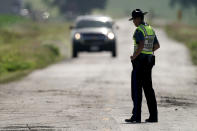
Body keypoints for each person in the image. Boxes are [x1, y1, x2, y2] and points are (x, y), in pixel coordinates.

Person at [125, 9, 160, 123]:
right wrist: (148, 52)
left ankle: (136, 116)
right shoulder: (150, 29)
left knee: (136, 90)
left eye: (134, 19)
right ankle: (153, 116)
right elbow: (157, 45)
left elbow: (141, 45)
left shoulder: (139, 30)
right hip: (149, 62)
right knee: (149, 90)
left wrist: (134, 56)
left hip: (139, 63)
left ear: (139, 19)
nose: (134, 22)